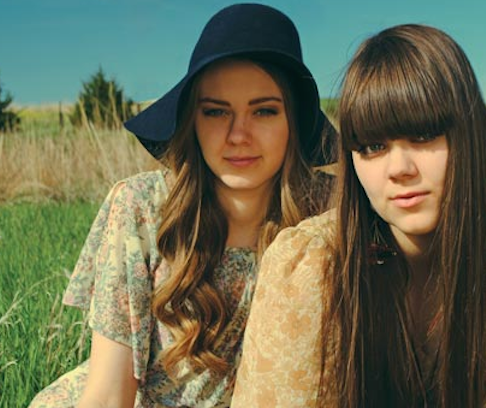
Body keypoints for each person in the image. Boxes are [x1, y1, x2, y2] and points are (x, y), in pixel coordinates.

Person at [231, 24, 486, 407]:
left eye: (423, 136)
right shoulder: (309, 264)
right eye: (372, 147)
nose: (399, 169)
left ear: (470, 135)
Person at [30, 3, 334, 407]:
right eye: (216, 112)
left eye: (264, 111)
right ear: (192, 121)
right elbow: (108, 394)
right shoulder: (141, 207)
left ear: (293, 121)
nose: (238, 135)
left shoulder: (329, 213)